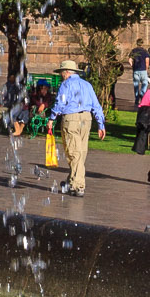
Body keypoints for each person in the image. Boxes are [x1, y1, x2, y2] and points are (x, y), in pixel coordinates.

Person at [53, 58, 101, 197]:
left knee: (74, 152)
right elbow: (96, 104)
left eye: (62, 72)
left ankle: (78, 185)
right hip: (86, 119)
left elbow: (60, 103)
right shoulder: (87, 85)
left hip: (71, 119)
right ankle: (71, 181)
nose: (61, 75)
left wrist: (52, 118)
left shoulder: (66, 84)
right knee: (80, 152)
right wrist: (100, 124)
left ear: (67, 72)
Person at [130, 42, 150, 111]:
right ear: (142, 44)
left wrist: (132, 66)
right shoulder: (145, 51)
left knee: (136, 85)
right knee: (145, 83)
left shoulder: (134, 50)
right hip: (143, 70)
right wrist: (146, 68)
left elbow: (130, 59)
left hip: (136, 70)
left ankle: (136, 98)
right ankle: (142, 94)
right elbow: (147, 61)